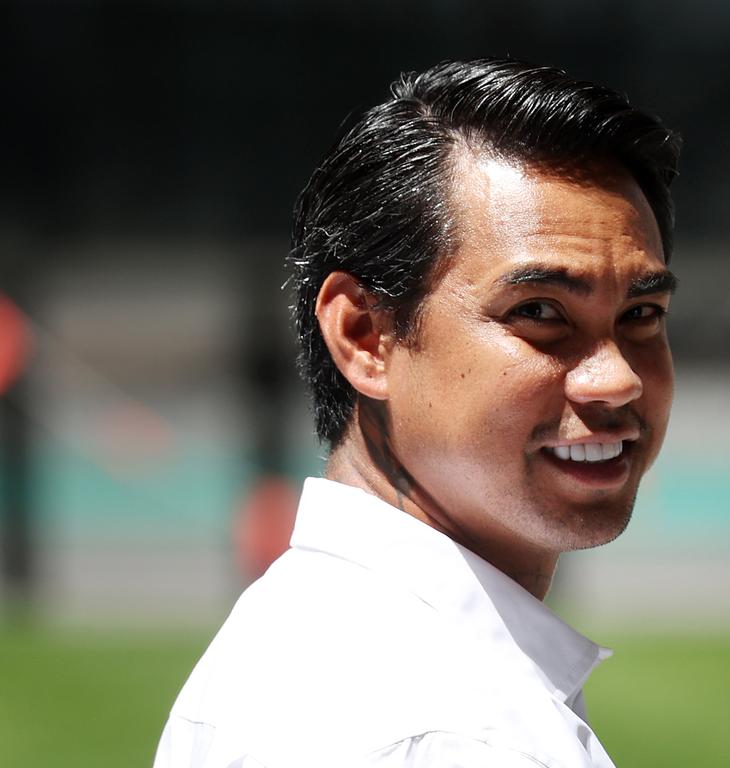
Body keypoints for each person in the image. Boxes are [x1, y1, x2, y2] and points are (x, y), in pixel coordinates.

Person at [155, 57, 680, 768]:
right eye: (539, 313)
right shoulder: (445, 736)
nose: (616, 379)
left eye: (642, 314)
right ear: (365, 337)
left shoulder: (311, 633)